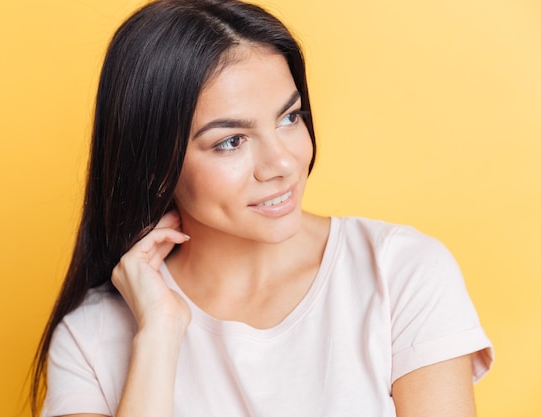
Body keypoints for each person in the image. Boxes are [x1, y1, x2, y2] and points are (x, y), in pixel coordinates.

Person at [30, 0, 493, 416]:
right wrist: (159, 334)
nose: (282, 163)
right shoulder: (90, 337)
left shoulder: (400, 273)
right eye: (231, 141)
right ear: (154, 166)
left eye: (290, 117)